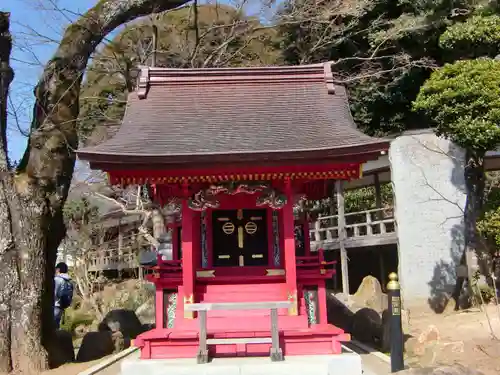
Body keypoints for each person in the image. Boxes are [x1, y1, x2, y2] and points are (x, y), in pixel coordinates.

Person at [54, 262, 74, 329]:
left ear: (58, 269)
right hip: (62, 307)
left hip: (55, 305)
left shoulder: (57, 280)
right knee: (56, 327)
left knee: (51, 327)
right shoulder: (69, 281)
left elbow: (54, 293)